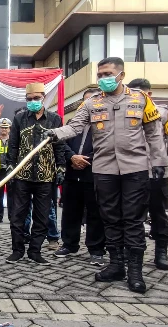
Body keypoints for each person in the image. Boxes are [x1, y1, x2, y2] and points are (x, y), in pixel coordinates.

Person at [45, 57, 167, 294]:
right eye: (100, 75)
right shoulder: (92, 103)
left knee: (132, 220)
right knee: (109, 218)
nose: (103, 79)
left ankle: (135, 271)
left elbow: (153, 134)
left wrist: (160, 163)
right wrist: (54, 133)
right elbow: (75, 127)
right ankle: (115, 265)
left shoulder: (141, 99)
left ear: (121, 75)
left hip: (135, 169)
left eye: (107, 74)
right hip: (104, 170)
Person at [127, 78, 168, 270]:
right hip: (133, 171)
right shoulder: (126, 112)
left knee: (159, 214)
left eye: (140, 93)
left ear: (149, 94)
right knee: (132, 215)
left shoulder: (165, 113)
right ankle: (134, 253)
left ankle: (161, 252)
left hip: (159, 173)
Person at [5, 82, 65, 266]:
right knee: (18, 215)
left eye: (36, 98)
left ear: (44, 97)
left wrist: (61, 167)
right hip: (22, 175)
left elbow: (60, 145)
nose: (33, 101)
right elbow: (13, 144)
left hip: (46, 176)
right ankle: (17, 250)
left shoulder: (55, 119)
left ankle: (35, 251)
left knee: (42, 216)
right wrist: (10, 165)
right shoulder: (20, 118)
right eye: (29, 99)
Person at [53, 88, 106, 266]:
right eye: (85, 101)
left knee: (95, 213)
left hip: (94, 173)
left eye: (93, 100)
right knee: (70, 211)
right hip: (72, 173)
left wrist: (87, 158)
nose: (89, 104)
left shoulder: (104, 123)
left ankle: (96, 250)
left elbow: (107, 146)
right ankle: (69, 244)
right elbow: (62, 143)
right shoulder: (72, 123)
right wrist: (72, 157)